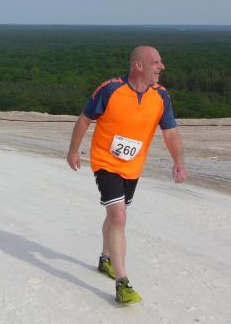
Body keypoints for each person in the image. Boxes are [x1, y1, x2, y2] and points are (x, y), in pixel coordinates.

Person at [67, 45, 187, 305]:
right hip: (105, 162)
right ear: (138, 66)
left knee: (115, 216)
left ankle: (105, 258)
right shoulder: (110, 89)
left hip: (133, 167)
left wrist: (178, 162)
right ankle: (122, 283)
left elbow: (170, 132)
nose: (162, 67)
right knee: (119, 216)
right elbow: (85, 119)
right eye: (156, 62)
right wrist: (74, 150)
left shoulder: (161, 95)